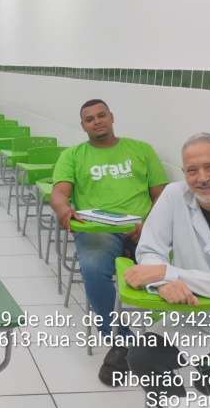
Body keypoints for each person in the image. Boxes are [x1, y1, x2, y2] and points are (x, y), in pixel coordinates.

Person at [50, 98, 168, 385]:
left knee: (170, 269)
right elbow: (59, 193)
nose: (97, 121)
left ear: (112, 117)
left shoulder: (141, 150)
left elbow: (163, 196)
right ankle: (121, 340)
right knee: (92, 267)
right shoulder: (73, 155)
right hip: (98, 229)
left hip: (143, 227)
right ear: (83, 126)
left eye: (101, 115)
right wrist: (63, 210)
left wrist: (149, 225)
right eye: (89, 119)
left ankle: (160, 339)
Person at [125, 133, 210, 406]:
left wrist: (169, 274)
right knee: (142, 357)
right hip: (191, 316)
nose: (202, 178)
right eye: (192, 170)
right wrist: (163, 284)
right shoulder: (174, 196)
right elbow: (149, 251)